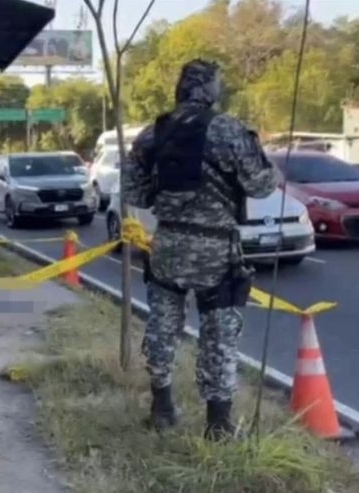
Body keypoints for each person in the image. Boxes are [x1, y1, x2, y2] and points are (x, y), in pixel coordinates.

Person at [123, 59, 278, 439]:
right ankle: (218, 425)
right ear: (208, 88)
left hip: (168, 244)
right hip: (214, 248)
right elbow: (261, 186)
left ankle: (162, 408)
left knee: (162, 326)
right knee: (219, 334)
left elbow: (134, 193)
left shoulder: (153, 132)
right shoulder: (228, 130)